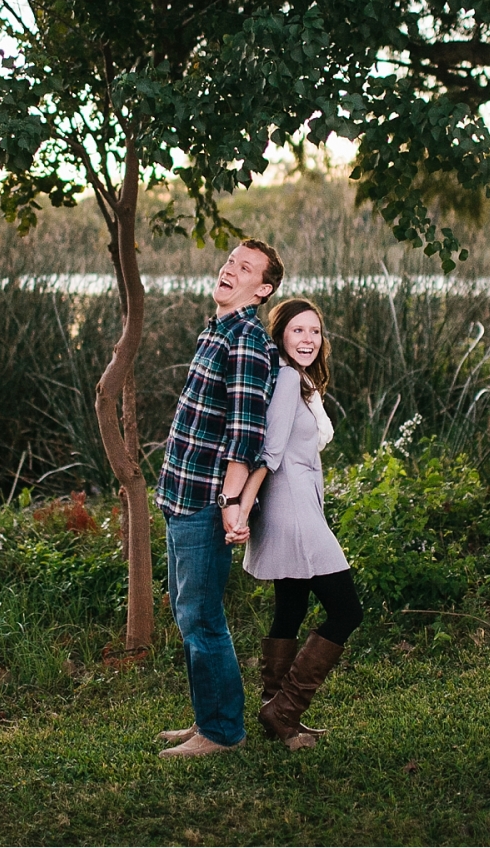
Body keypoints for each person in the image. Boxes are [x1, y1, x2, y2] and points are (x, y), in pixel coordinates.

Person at [154, 238, 284, 759]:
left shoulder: (248, 341)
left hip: (207, 502)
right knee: (190, 615)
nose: (230, 269)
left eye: (246, 267)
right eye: (231, 260)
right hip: (180, 495)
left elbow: (244, 434)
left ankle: (222, 733)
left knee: (202, 618)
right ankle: (208, 719)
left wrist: (233, 505)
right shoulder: (218, 330)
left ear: (263, 290)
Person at [230, 298, 361, 751]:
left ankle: (274, 709)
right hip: (292, 511)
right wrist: (241, 508)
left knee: (291, 604)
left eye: (315, 331)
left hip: (301, 504)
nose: (308, 339)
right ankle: (284, 712)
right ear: (281, 335)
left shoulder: (300, 379)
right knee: (347, 610)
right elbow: (270, 452)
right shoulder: (287, 379)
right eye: (298, 331)